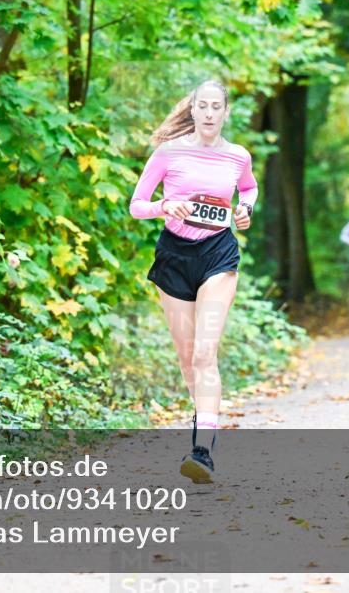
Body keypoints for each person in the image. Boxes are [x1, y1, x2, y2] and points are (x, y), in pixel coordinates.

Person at [129, 78, 257, 484]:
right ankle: (203, 417)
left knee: (205, 354)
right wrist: (167, 205)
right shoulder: (168, 153)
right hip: (174, 257)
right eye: (202, 105)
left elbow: (249, 188)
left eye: (216, 106)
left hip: (218, 255)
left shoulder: (238, 156)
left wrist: (245, 209)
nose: (208, 113)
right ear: (192, 108)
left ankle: (202, 450)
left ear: (225, 112)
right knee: (188, 359)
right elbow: (136, 206)